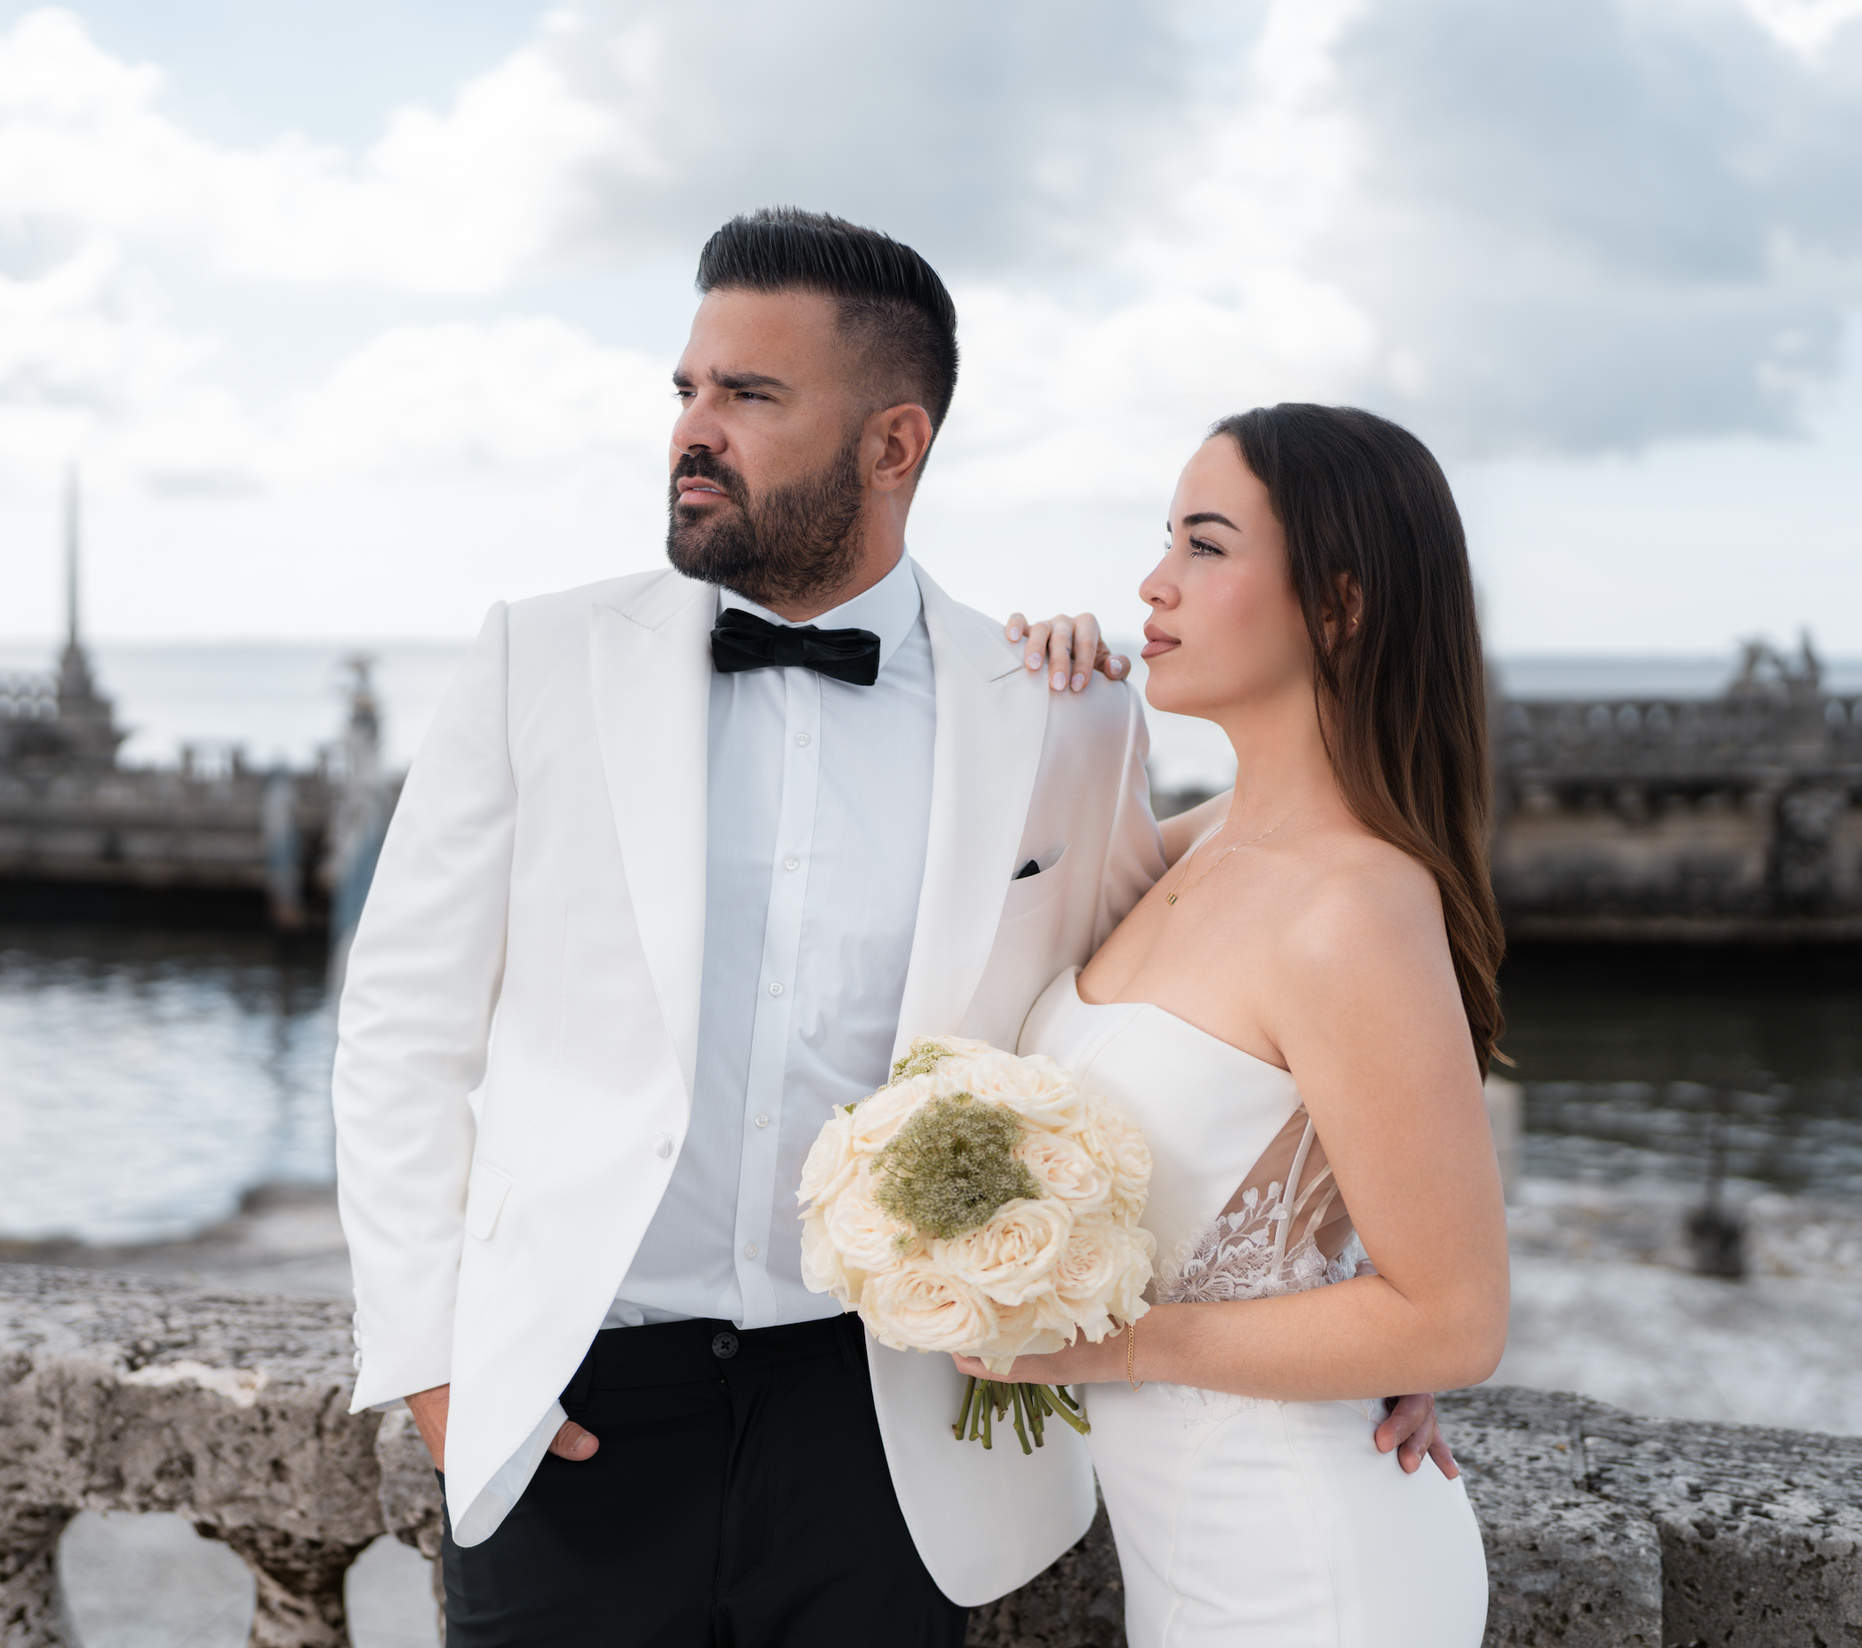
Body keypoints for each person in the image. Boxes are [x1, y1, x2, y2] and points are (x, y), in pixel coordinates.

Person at [331, 210, 1451, 1648]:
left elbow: (1167, 1015)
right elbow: (401, 1030)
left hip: (890, 1419)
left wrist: (1362, 1293)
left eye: (750, 396)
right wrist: (435, 1358)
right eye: (687, 389)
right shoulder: (532, 662)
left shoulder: (1063, 711)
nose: (695, 429)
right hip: (576, 1403)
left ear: (892, 444)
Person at [965, 404, 1506, 1644]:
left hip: (1310, 1565)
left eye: (1205, 546)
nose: (1152, 583)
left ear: (1341, 604)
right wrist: (1047, 717)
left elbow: (1455, 1316)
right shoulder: (1205, 842)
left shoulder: (1353, 906)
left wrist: (1101, 1347)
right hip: (1192, 1554)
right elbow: (992, 939)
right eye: (1165, 541)